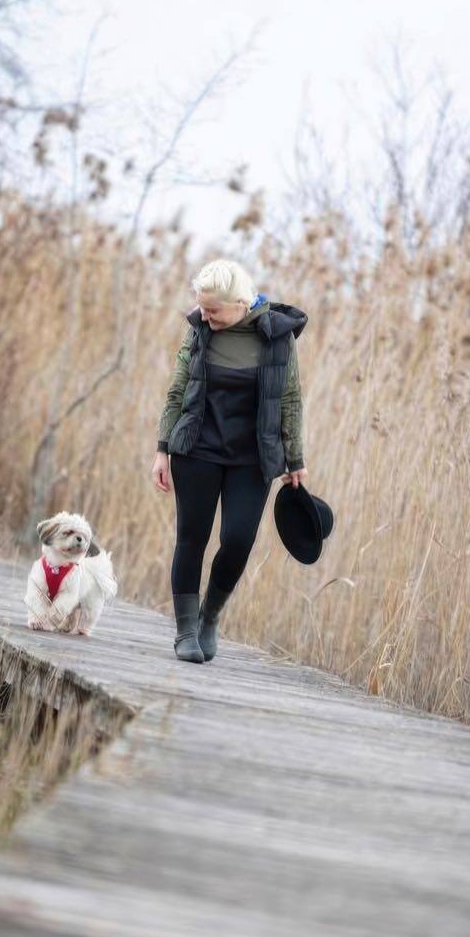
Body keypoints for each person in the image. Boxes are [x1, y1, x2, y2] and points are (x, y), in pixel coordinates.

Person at [150, 258, 308, 663]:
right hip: (196, 450)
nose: (204, 315)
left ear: (240, 303)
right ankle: (185, 631)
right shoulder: (199, 331)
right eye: (201, 307)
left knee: (238, 540)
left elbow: (289, 398)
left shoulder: (277, 336)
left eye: (212, 310)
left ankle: (210, 616)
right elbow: (177, 389)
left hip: (252, 459)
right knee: (191, 538)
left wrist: (295, 459)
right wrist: (162, 449)